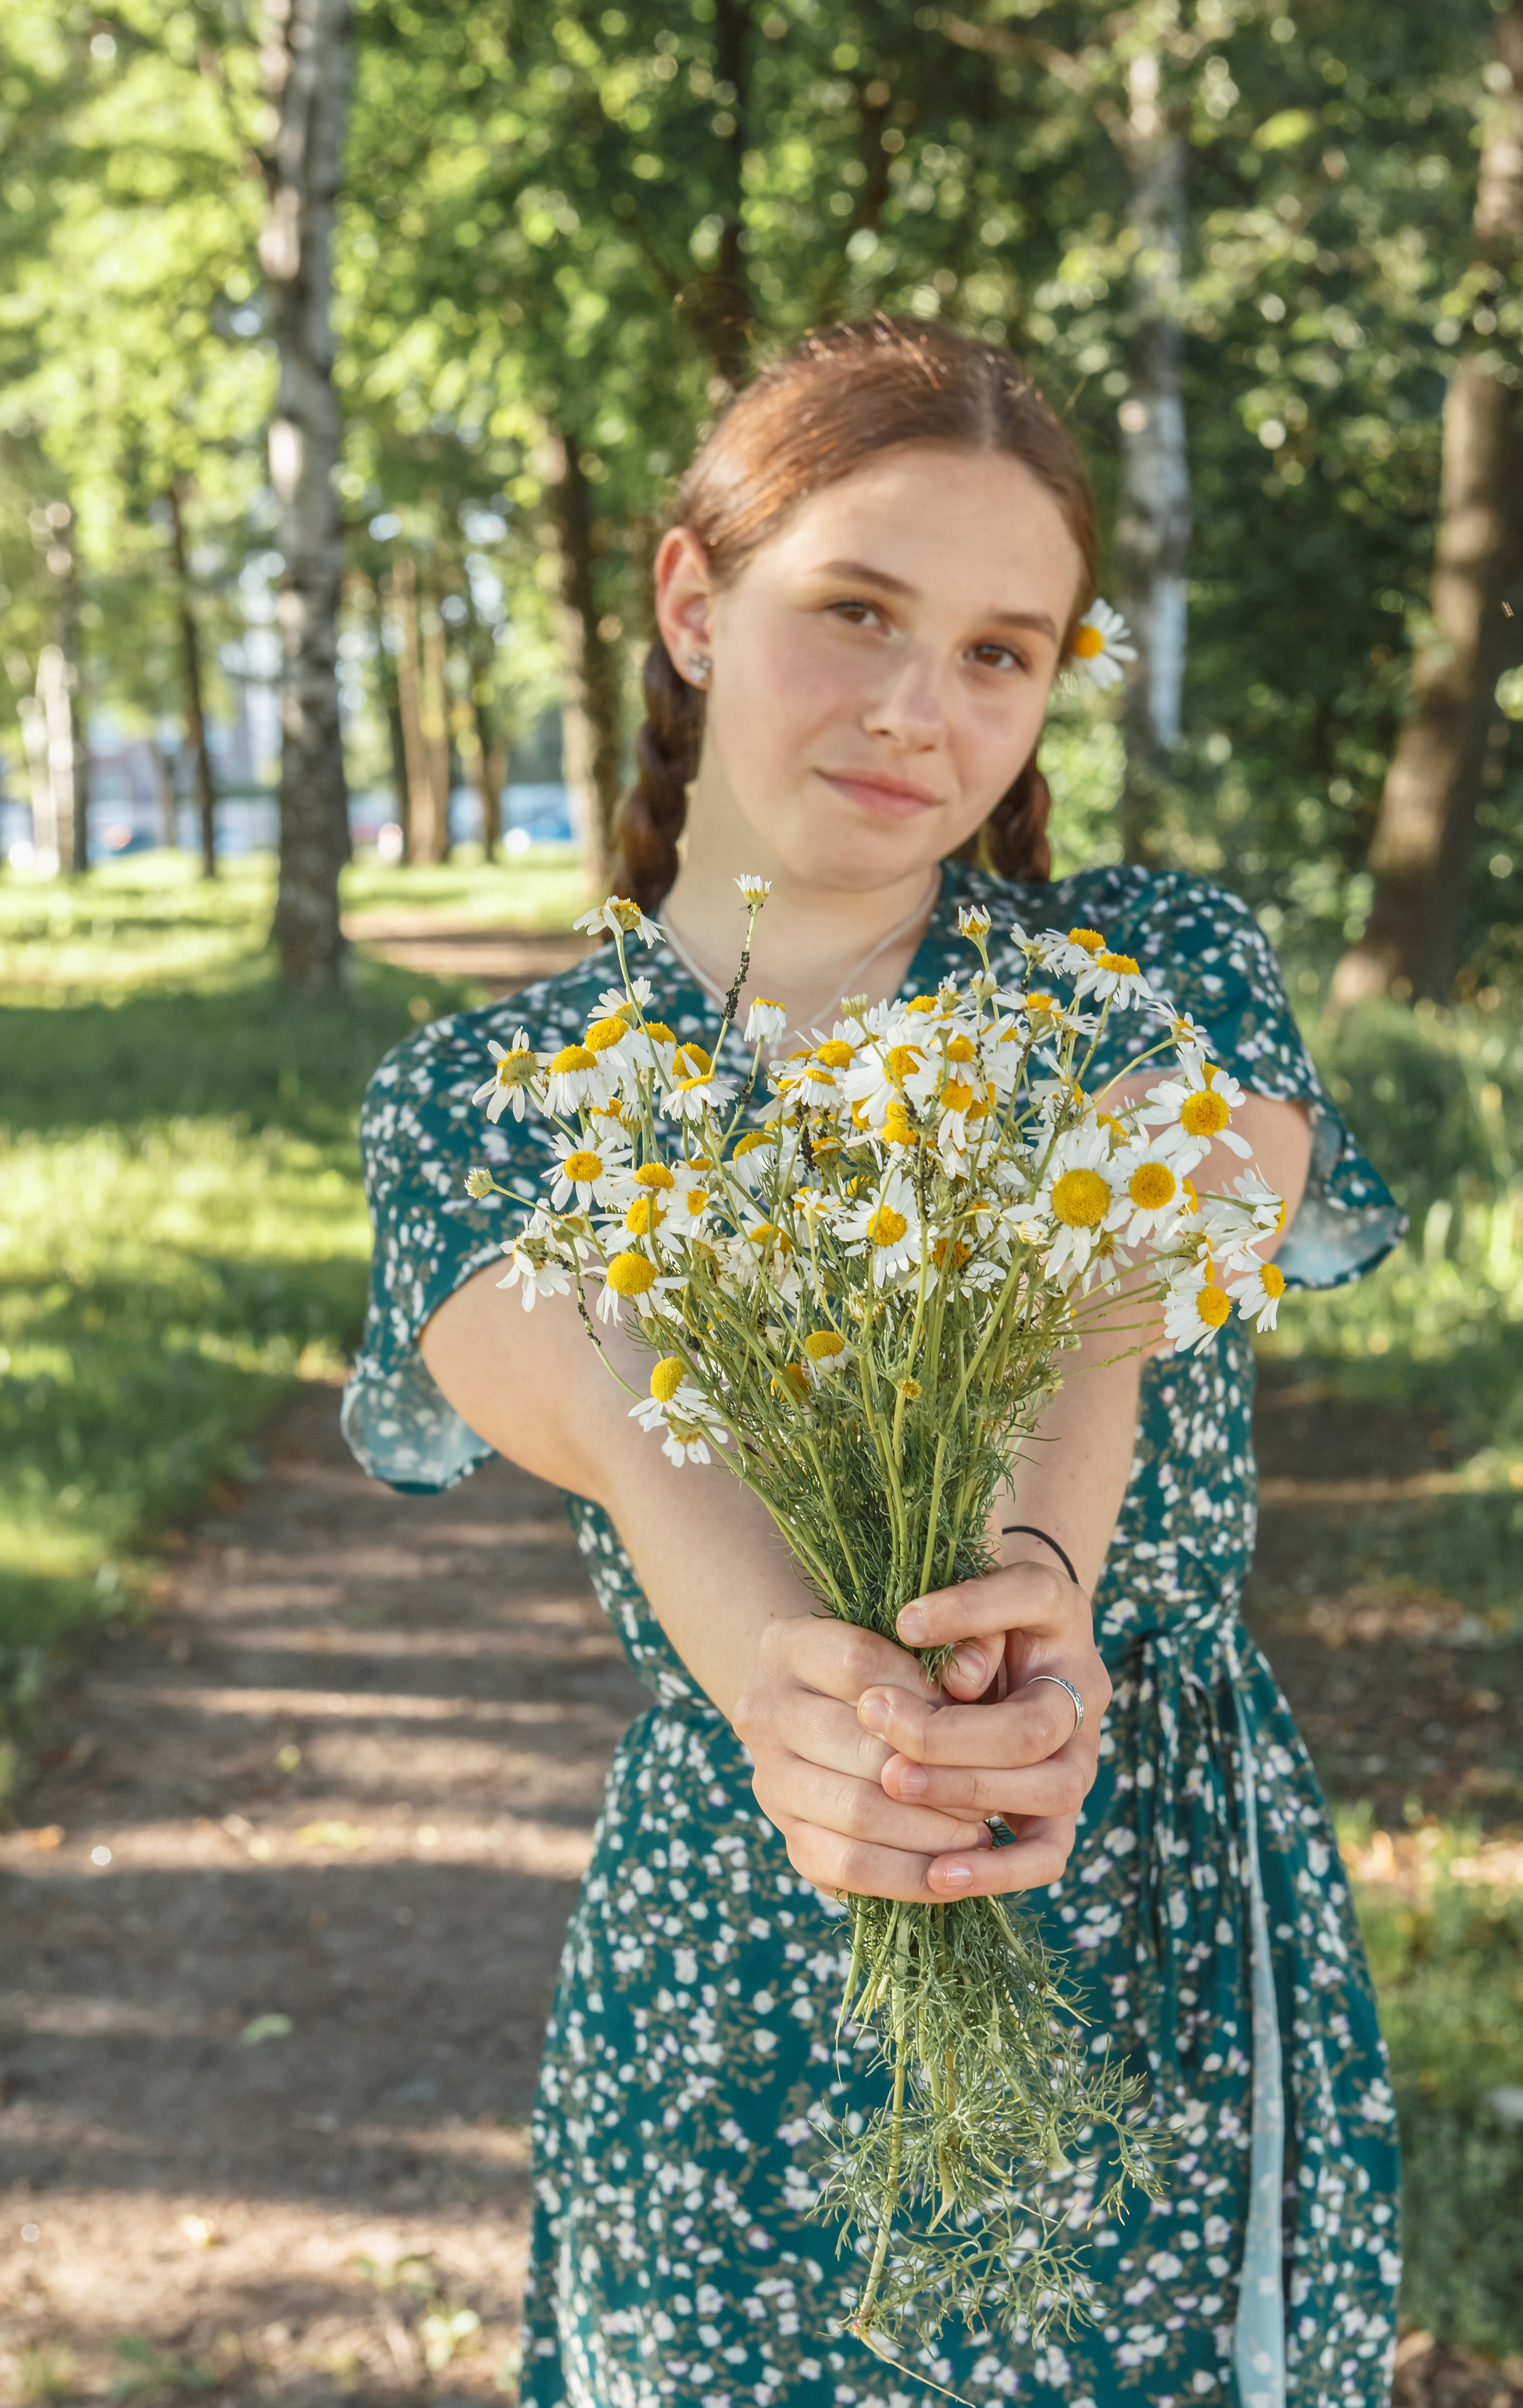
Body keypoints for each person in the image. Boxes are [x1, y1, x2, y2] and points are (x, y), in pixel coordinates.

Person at [344, 317, 1406, 2408]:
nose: (925, 710)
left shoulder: (1153, 978)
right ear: (691, 602)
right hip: (741, 1946)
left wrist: (1031, 1587)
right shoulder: (496, 1101)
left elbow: (1119, 1280)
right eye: (857, 612)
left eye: (1005, 651)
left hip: (1147, 1913)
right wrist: (786, 1698)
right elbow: (629, 1420)